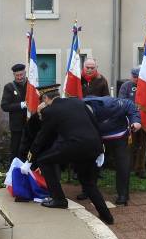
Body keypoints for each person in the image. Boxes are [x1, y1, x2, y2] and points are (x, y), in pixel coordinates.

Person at [25, 84, 114, 224]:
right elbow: (94, 124)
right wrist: (101, 148)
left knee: (43, 160)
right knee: (89, 183)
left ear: (46, 98)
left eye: (43, 100)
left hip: (74, 146)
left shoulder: (50, 111)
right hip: (93, 146)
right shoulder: (77, 102)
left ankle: (59, 199)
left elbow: (42, 137)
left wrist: (29, 159)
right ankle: (107, 216)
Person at [84, 96, 141, 205]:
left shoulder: (111, 105)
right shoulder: (81, 106)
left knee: (122, 165)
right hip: (98, 138)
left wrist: (136, 121)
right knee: (91, 163)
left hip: (119, 136)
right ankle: (88, 190)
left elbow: (130, 105)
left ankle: (123, 195)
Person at [119, 66, 146, 179]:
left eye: (138, 77)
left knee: (143, 146)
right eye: (134, 77)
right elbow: (121, 101)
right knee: (130, 146)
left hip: (144, 121)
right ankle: (127, 167)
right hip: (130, 120)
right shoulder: (126, 86)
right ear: (131, 76)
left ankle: (140, 169)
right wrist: (134, 107)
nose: (136, 79)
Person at [1, 63, 28, 161]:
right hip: (17, 125)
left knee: (30, 149)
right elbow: (4, 106)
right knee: (16, 150)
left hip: (31, 124)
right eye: (17, 75)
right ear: (14, 75)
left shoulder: (32, 85)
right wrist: (21, 105)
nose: (20, 77)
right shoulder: (9, 87)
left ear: (25, 73)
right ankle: (14, 172)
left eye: (21, 75)